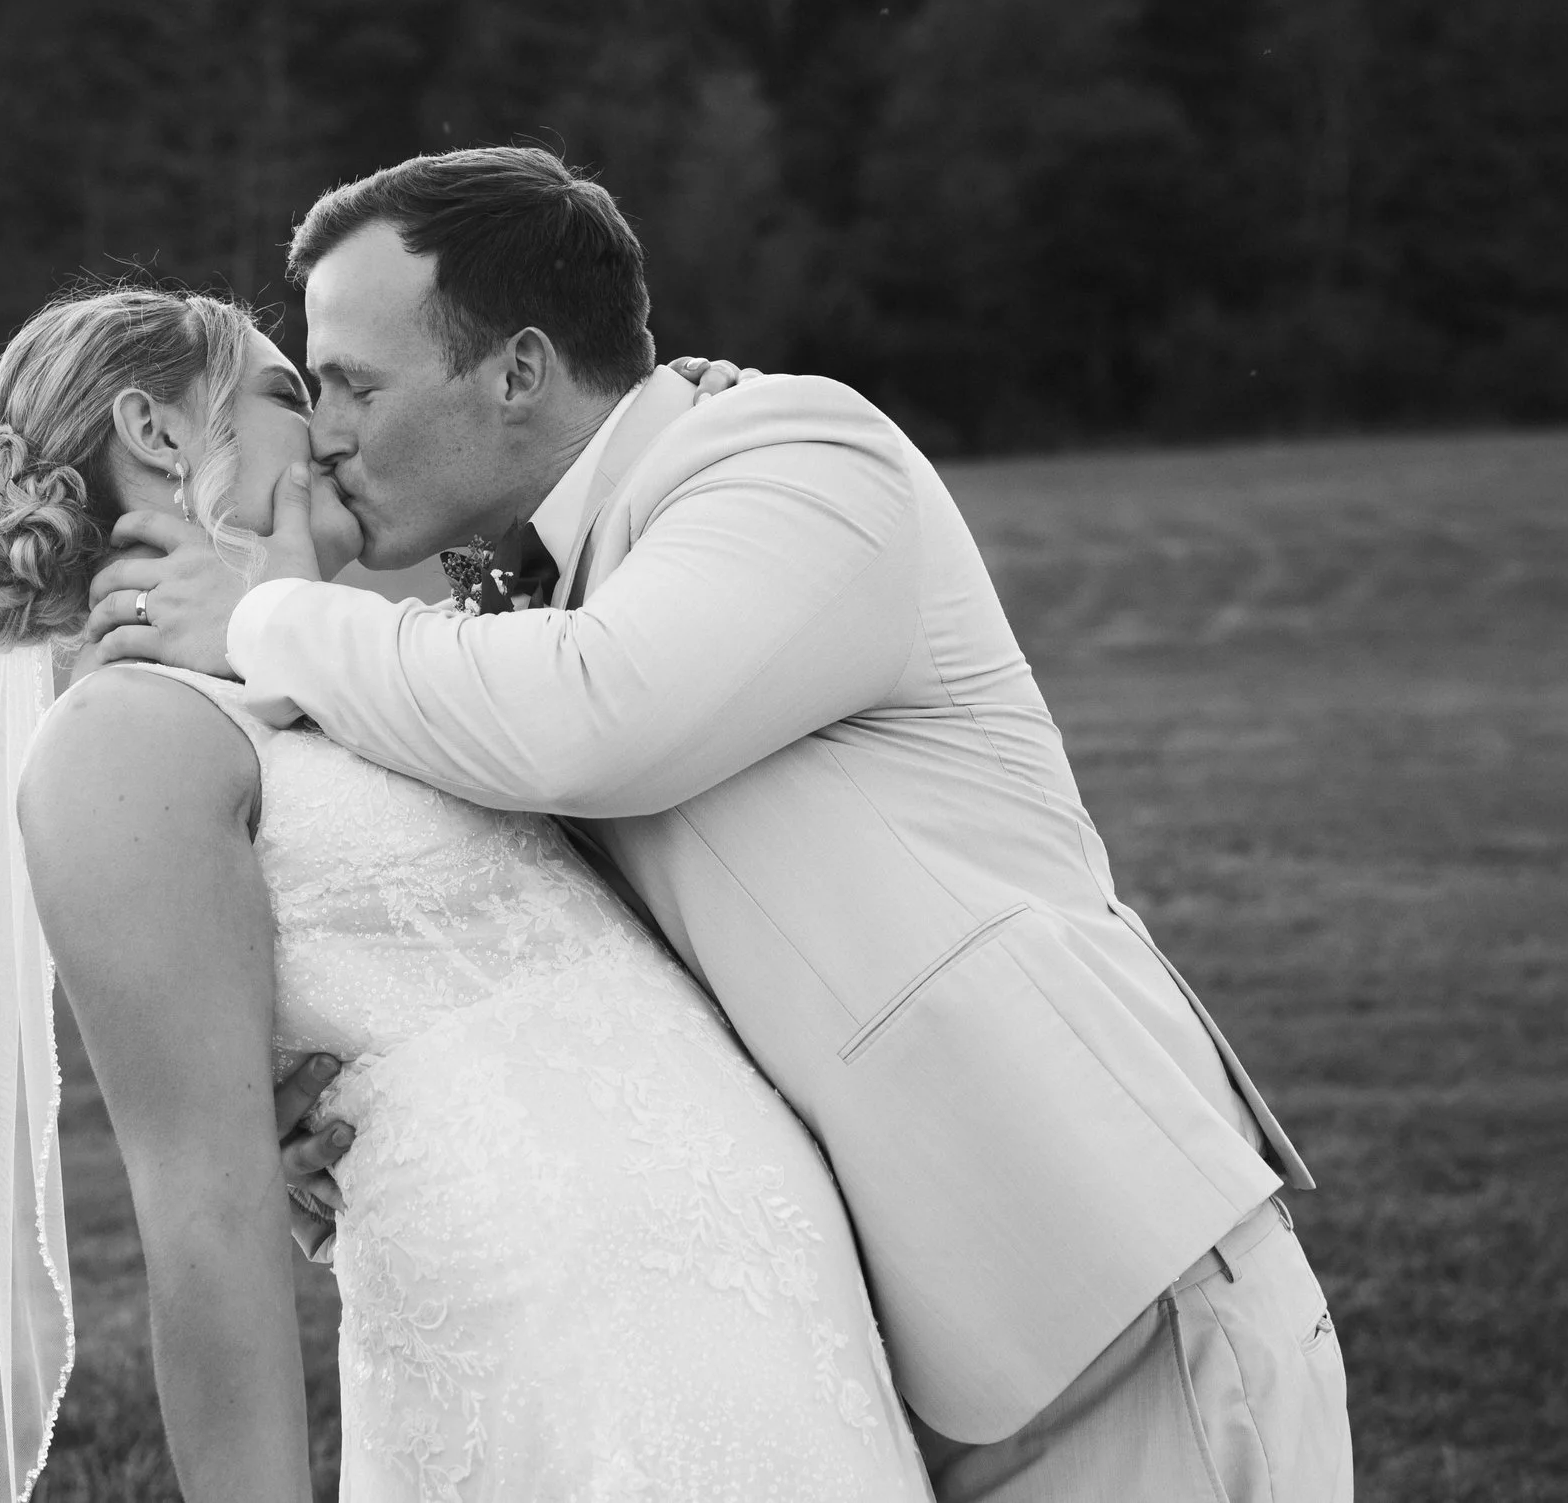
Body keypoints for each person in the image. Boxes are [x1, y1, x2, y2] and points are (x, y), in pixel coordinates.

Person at [86, 147, 1356, 1503]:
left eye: (354, 381)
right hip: (861, 1359)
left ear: (518, 371)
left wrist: (266, 617)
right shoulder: (504, 624)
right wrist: (347, 1084)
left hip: (1096, 1282)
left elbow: (598, 715)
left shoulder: (790, 453)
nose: (328, 429)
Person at [0, 282, 934, 1502]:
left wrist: (664, 417)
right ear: (158, 431)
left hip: (740, 1282)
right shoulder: (121, 740)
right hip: (548, 1308)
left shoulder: (333, 668)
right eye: (294, 392)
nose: (340, 429)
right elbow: (204, 1215)